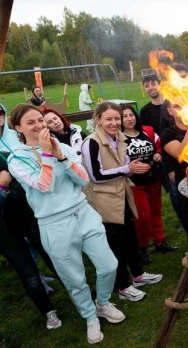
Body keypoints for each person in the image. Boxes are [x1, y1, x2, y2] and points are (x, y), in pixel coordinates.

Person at [8, 104, 124, 344]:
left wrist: (60, 155)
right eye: (31, 122)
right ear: (18, 128)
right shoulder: (17, 159)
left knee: (109, 265)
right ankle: (90, 316)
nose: (39, 125)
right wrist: (48, 155)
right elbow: (44, 186)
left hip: (83, 212)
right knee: (75, 279)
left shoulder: (61, 147)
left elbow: (83, 180)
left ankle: (102, 303)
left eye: (40, 120)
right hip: (54, 223)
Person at [82, 102, 163, 303]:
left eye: (116, 118)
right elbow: (96, 176)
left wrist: (132, 167)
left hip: (123, 194)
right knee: (115, 244)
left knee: (130, 237)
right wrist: (128, 169)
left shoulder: (119, 138)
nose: (114, 122)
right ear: (98, 120)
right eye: (109, 119)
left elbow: (125, 164)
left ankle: (137, 275)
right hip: (105, 201)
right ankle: (123, 286)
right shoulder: (91, 143)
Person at [0, 104, 61, 331]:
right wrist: (2, 185)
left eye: (0, 112)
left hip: (29, 212)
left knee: (52, 254)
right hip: (4, 226)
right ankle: (48, 311)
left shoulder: (16, 143)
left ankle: (77, 294)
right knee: (27, 270)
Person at [120, 103, 178, 265]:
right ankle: (142, 247)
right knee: (142, 216)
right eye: (124, 116)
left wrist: (158, 154)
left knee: (155, 212)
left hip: (153, 179)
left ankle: (160, 241)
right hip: (134, 183)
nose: (129, 119)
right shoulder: (117, 138)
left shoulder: (148, 131)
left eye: (131, 115)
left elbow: (159, 147)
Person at [139, 74, 184, 231]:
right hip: (163, 158)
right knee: (174, 192)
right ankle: (182, 219)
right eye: (147, 85)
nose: (150, 87)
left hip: (184, 150)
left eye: (153, 84)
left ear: (160, 85)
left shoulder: (173, 105)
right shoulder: (145, 112)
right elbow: (145, 136)